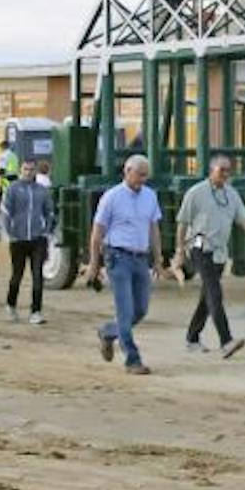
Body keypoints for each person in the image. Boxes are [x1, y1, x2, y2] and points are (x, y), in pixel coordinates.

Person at [170, 153, 245, 357]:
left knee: (207, 298)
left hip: (219, 252)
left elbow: (242, 217)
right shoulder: (196, 193)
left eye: (229, 170)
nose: (225, 175)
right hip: (200, 249)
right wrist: (179, 251)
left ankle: (192, 338)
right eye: (222, 170)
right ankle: (226, 340)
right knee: (215, 293)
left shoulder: (231, 194)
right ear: (211, 170)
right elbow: (183, 222)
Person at [89, 153, 163, 375]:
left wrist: (158, 259)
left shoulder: (150, 196)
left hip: (141, 258)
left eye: (145, 176)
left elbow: (153, 228)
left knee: (140, 309)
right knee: (125, 309)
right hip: (117, 257)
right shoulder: (111, 197)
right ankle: (132, 358)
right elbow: (97, 232)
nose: (142, 180)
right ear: (127, 171)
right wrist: (94, 263)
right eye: (139, 175)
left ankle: (108, 332)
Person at [2, 157, 58, 324]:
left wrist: (46, 230)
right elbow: (6, 212)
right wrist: (11, 232)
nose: (28, 172)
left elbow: (49, 211)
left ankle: (36, 311)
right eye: (25, 169)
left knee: (37, 276)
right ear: (21, 170)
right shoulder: (13, 189)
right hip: (18, 240)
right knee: (17, 275)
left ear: (35, 171)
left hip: (37, 239)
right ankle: (11, 305)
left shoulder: (42, 190)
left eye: (31, 169)